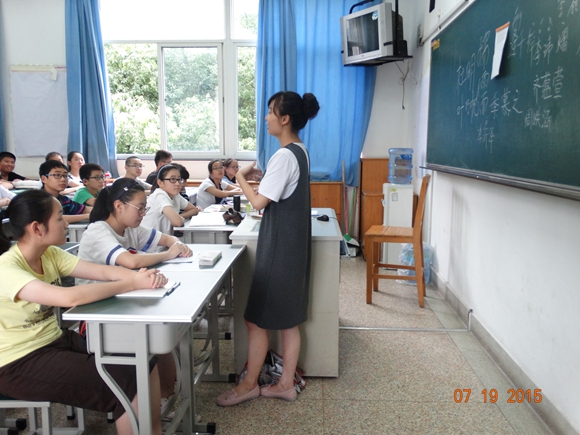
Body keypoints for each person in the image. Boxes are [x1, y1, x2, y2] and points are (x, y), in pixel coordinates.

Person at [0, 189, 169, 435]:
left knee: (142, 358)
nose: (66, 221)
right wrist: (133, 283)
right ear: (37, 228)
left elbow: (102, 272)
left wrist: (141, 277)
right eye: (59, 218)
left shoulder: (49, 253)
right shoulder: (7, 269)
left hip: (55, 342)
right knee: (129, 384)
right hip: (18, 362)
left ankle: (153, 430)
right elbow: (70, 297)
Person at [216, 91, 319, 406]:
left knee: (254, 319)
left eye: (270, 111)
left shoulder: (284, 155)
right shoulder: (300, 151)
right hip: (292, 246)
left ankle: (248, 384)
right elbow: (275, 193)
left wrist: (239, 176)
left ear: (284, 119)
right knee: (288, 319)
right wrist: (254, 179)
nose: (266, 117)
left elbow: (259, 203)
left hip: (279, 247)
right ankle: (285, 384)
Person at [77, 178, 192, 278]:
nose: (143, 213)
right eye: (139, 208)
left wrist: (178, 246)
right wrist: (168, 254)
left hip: (122, 290)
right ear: (118, 206)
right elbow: (131, 262)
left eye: (144, 208)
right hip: (96, 297)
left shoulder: (130, 228)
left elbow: (168, 239)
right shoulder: (97, 232)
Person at [142, 165, 201, 235]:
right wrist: (178, 219)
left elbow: (194, 210)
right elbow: (178, 222)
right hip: (150, 243)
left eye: (179, 179)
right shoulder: (160, 195)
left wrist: (180, 217)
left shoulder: (175, 195)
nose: (177, 183)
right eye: (172, 179)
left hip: (163, 241)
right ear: (160, 183)